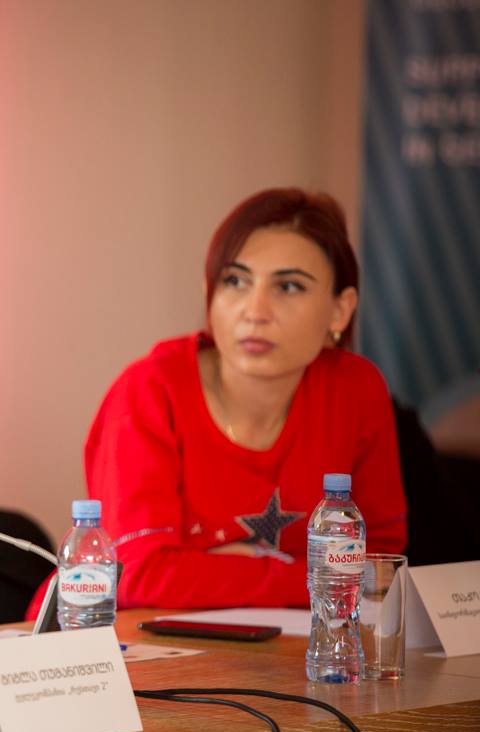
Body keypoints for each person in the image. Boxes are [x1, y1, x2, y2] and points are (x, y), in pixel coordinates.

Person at [29, 188, 407, 614]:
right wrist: (309, 578)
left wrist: (214, 568)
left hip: (294, 644)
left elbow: (378, 566)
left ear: (340, 310)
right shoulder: (149, 391)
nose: (255, 311)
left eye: (288, 286)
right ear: (209, 293)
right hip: (115, 640)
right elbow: (133, 574)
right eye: (235, 281)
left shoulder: (356, 390)